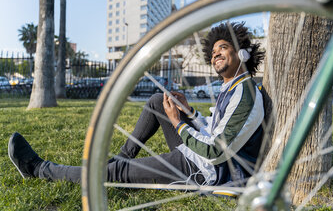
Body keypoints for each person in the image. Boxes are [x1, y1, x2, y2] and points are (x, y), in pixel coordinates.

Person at [8, 22, 265, 189]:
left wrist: (178, 122)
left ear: (242, 52)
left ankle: (39, 169)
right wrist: (191, 113)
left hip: (207, 172)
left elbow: (216, 152)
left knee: (117, 173)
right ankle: (121, 156)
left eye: (223, 48)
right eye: (212, 52)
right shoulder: (232, 87)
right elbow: (218, 128)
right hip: (202, 157)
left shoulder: (246, 92)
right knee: (156, 102)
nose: (215, 55)